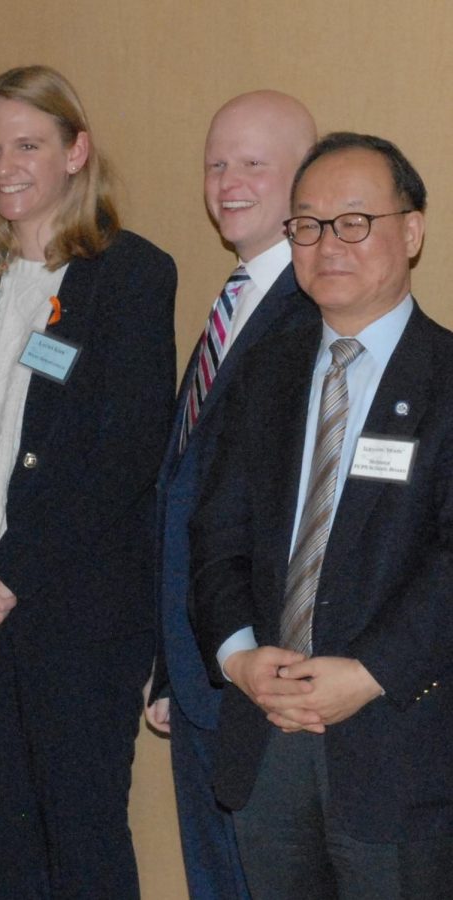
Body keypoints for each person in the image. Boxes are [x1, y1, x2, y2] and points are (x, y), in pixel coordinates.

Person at [0, 65, 177, 900]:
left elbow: (120, 458)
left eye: (28, 145)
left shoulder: (131, 276)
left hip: (76, 615)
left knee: (83, 845)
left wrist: (2, 574)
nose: (5, 165)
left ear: (75, 152)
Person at [189, 131, 453, 899]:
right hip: (266, 740)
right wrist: (237, 657)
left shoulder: (445, 379)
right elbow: (216, 531)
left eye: (353, 221)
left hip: (400, 747)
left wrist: (371, 672)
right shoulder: (262, 373)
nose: (327, 243)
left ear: (412, 230)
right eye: (307, 224)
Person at [146, 90, 317, 898]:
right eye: (217, 163)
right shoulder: (236, 300)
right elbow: (186, 493)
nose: (228, 181)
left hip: (262, 683)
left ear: (303, 181)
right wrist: (174, 669)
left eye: (254, 162)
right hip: (201, 673)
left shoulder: (315, 314)